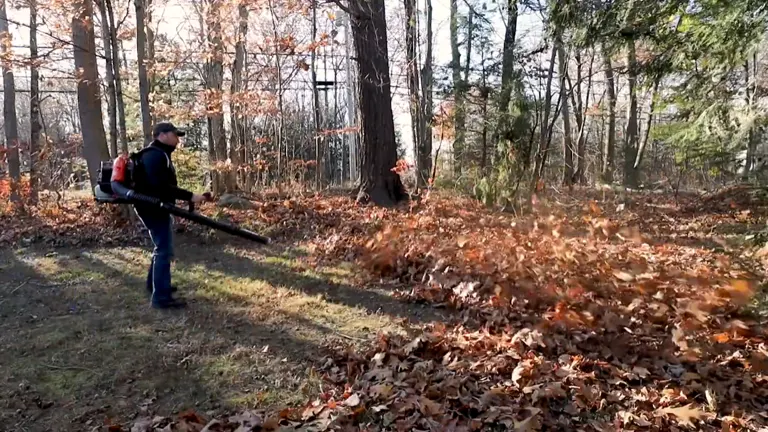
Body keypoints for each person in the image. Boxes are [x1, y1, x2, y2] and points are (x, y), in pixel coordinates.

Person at [133, 122, 209, 309]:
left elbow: (161, 187)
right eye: (175, 135)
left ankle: (155, 286)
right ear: (162, 135)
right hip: (152, 208)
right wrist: (190, 196)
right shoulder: (154, 155)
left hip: (155, 207)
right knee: (164, 249)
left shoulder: (159, 155)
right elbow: (160, 186)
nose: (178, 139)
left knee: (162, 247)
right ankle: (161, 298)